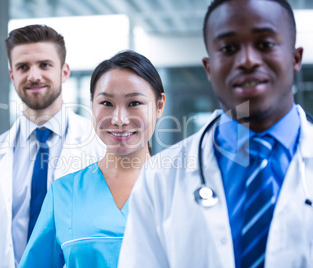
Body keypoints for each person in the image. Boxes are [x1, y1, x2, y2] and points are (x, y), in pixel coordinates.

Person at [119, 0, 313, 267]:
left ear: (295, 58)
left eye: (265, 44)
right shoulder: (160, 178)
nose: (247, 60)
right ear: (209, 68)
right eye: (229, 48)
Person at [0, 24, 105, 268]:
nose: (33, 76)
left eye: (44, 65)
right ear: (12, 75)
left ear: (64, 71)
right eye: (23, 67)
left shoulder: (100, 147)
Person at [18, 50, 166, 267]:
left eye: (134, 103)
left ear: (159, 105)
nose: (119, 119)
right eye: (106, 103)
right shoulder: (63, 194)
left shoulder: (183, 188)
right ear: (92, 106)